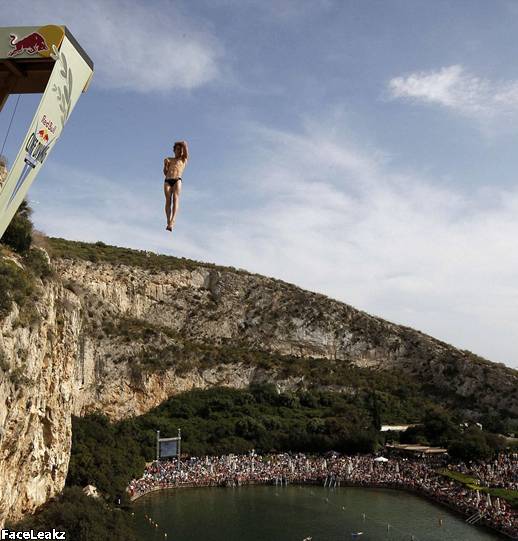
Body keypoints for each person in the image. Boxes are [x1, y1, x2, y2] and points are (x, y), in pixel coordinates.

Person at [163, 141, 189, 231]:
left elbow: (185, 143)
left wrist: (181, 144)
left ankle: (172, 221)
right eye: (178, 149)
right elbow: (165, 173)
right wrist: (165, 165)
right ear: (174, 150)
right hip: (168, 180)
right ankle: (168, 221)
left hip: (177, 179)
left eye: (181, 149)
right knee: (168, 199)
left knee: (176, 199)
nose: (180, 151)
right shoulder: (169, 159)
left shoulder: (183, 159)